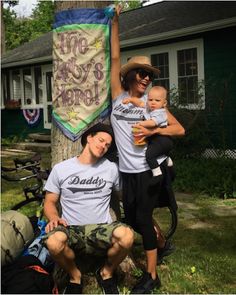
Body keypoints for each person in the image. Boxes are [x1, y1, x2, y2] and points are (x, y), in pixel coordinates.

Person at [110, 6, 185, 294]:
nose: (145, 79)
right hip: (125, 172)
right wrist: (115, 22)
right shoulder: (118, 98)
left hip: (146, 170)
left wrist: (153, 128)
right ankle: (163, 244)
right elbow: (115, 57)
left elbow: (178, 130)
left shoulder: (151, 105)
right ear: (129, 76)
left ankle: (151, 276)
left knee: (140, 218)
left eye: (148, 76)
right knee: (134, 217)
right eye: (141, 74)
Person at [42, 123, 134, 294]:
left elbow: (125, 196)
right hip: (71, 228)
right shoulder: (61, 169)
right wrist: (54, 218)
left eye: (107, 145)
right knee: (53, 243)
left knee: (127, 236)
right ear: (89, 138)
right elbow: (49, 202)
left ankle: (106, 272)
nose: (104, 146)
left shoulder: (111, 168)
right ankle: (75, 276)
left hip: (101, 228)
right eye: (101, 140)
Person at [123, 85, 174, 186]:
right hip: (157, 140)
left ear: (164, 103)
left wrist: (140, 123)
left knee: (149, 155)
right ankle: (167, 158)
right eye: (150, 100)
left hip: (162, 139)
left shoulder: (160, 113)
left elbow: (153, 123)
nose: (153, 102)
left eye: (157, 100)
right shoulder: (149, 108)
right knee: (154, 150)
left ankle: (157, 173)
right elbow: (140, 103)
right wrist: (130, 100)